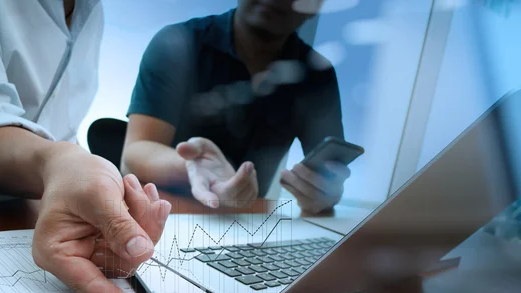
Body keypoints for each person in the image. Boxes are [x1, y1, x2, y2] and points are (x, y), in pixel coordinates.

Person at [0, 0, 167, 293]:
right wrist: (61, 162)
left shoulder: (92, 14)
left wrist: (88, 186)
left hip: (22, 214)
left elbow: (63, 132)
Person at [122, 0, 352, 214]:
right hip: (169, 213)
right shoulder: (177, 41)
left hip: (247, 224)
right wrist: (193, 167)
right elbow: (136, 151)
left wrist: (325, 191)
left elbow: (328, 167)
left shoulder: (318, 76)